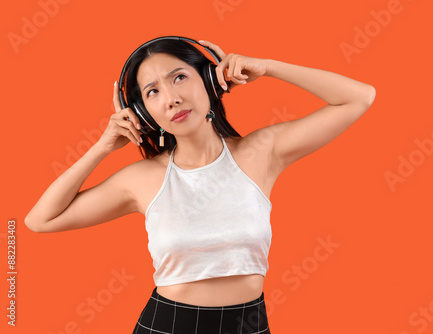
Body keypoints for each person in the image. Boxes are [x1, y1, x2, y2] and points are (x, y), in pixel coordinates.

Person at [24, 37, 376, 333]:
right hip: (168, 325)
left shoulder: (261, 153)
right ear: (144, 113)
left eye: (179, 77)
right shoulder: (143, 179)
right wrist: (102, 146)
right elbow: (41, 220)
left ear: (209, 81)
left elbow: (359, 97)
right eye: (152, 92)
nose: (171, 98)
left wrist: (267, 67)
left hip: (248, 324)